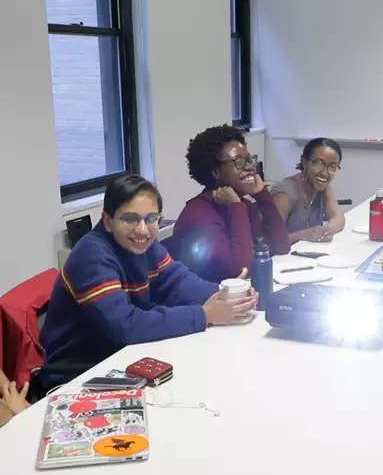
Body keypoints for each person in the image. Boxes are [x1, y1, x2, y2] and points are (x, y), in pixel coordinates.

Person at [38, 175, 258, 396]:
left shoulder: (144, 245)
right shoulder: (92, 256)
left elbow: (177, 281)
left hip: (124, 359)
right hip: (77, 377)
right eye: (130, 219)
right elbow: (126, 327)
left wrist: (227, 296)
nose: (143, 230)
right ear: (107, 220)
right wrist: (204, 315)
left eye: (151, 218)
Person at [173, 124, 290, 282]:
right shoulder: (198, 213)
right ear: (215, 171)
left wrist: (263, 195)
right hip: (206, 302)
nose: (250, 167)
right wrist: (236, 207)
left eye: (250, 160)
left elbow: (280, 247)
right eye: (239, 162)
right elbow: (240, 270)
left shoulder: (244, 204)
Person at [272, 137, 346, 244]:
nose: (325, 173)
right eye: (319, 164)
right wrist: (302, 235)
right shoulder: (285, 193)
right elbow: (272, 241)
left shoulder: (322, 187)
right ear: (304, 162)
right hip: (282, 258)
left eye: (332, 167)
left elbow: (338, 218)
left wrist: (325, 230)